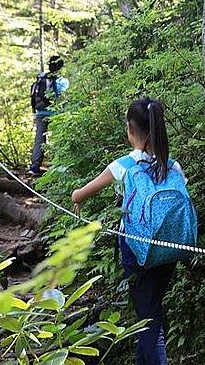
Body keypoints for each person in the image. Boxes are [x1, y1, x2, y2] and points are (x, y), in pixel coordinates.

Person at [71, 98, 187, 365]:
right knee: (151, 308)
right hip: (169, 248)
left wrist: (76, 198)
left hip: (136, 249)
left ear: (130, 129)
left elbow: (81, 193)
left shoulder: (124, 165)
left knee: (149, 319)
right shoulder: (172, 166)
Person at [29, 55, 69, 176]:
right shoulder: (62, 81)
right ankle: (58, 167)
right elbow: (64, 98)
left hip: (40, 112)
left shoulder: (41, 78)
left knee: (39, 140)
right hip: (56, 113)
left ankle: (34, 167)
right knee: (59, 138)